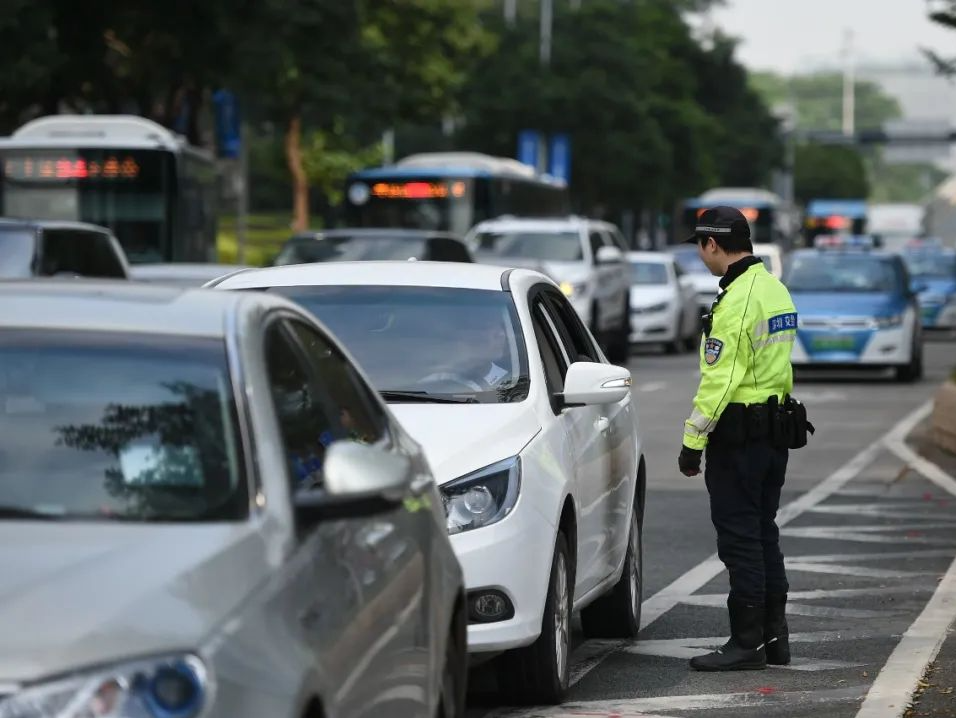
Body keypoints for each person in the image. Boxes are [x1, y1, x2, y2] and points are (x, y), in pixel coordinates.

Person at [677, 206, 799, 672]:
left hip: (741, 439)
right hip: (773, 435)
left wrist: (693, 443)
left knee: (741, 541)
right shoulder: (774, 289)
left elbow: (720, 381)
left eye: (701, 247)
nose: (701, 256)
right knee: (764, 534)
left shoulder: (738, 301)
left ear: (713, 244)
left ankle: (746, 643)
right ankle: (774, 639)